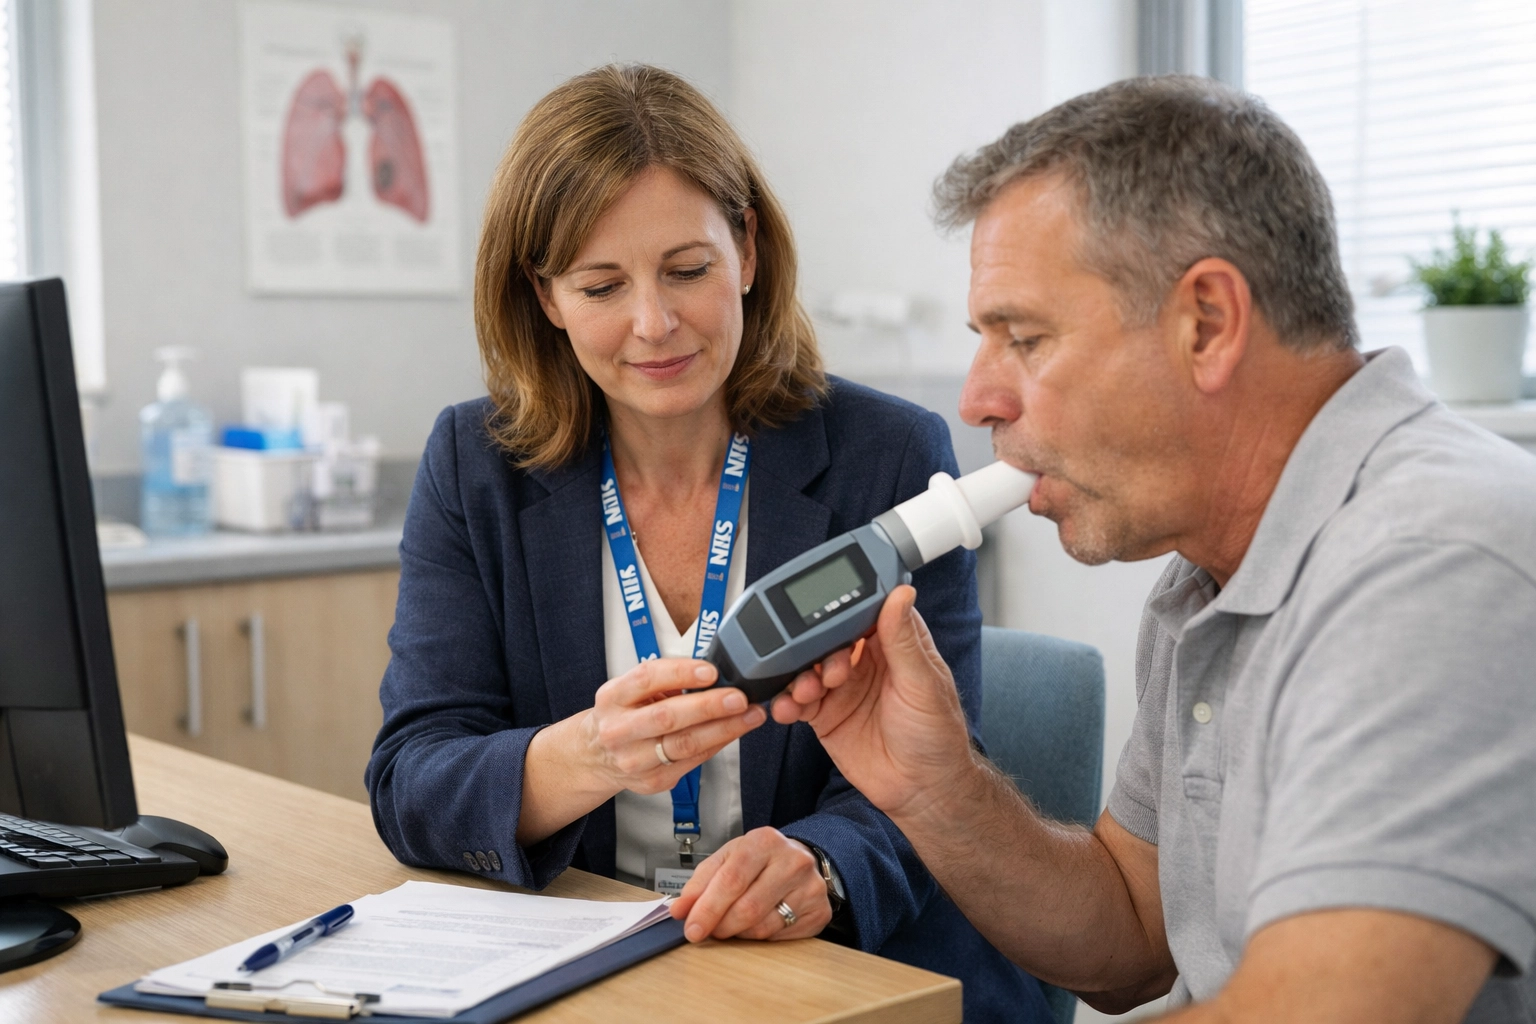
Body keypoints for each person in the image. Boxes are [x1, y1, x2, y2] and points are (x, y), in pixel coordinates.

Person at [772, 75, 1536, 1022]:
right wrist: (937, 791)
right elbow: (1136, 934)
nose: (976, 400)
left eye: (1026, 338)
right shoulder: (1207, 578)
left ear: (1207, 324)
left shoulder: (1435, 562)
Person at [365, 64, 1050, 1022]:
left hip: (826, 978)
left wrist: (824, 863)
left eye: (687, 270)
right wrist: (591, 757)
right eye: (602, 285)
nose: (654, 323)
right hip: (600, 978)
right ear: (547, 296)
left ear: (749, 250)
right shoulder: (473, 469)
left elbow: (938, 775)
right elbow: (411, 781)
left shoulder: (886, 454)